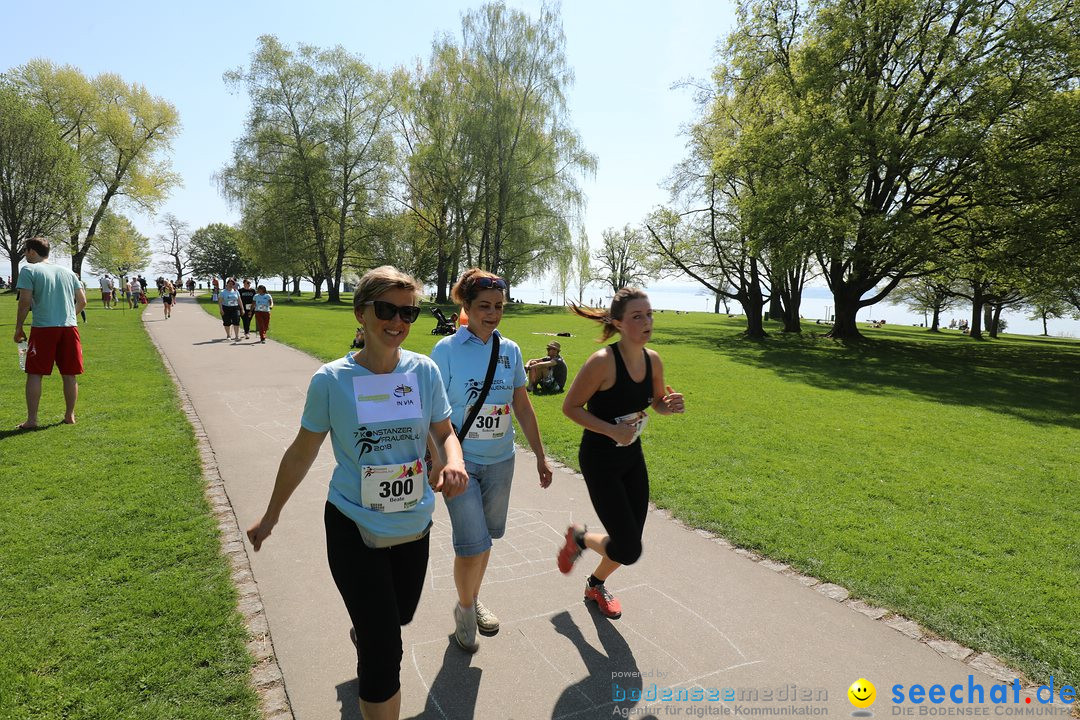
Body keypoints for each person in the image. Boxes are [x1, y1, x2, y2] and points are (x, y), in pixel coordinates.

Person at [246, 265, 468, 720]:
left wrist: (455, 461)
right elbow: (300, 453)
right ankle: (371, 644)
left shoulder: (423, 371)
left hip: (413, 523)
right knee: (385, 647)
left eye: (409, 313)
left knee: (400, 616)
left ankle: (367, 632)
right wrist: (271, 515)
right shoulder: (332, 381)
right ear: (360, 314)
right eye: (387, 309)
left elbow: (445, 432)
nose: (399, 322)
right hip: (353, 524)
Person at [430, 268, 554, 652]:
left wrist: (540, 455)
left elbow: (521, 403)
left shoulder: (511, 351)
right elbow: (435, 413)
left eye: (499, 306)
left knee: (486, 543)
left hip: (501, 461)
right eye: (484, 306)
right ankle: (466, 611)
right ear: (465, 306)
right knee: (472, 544)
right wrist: (440, 460)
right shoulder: (445, 351)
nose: (493, 313)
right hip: (460, 463)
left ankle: (471, 596)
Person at [556, 288, 685, 619]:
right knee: (629, 547)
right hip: (600, 460)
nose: (647, 321)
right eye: (637, 316)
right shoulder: (602, 362)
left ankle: (594, 583)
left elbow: (656, 402)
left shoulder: (652, 359)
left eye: (650, 314)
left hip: (631, 457)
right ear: (618, 323)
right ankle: (582, 539)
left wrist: (667, 406)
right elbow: (570, 407)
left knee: (628, 543)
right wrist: (611, 430)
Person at [13, 237, 87, 430]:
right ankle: (70, 415)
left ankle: (32, 420)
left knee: (35, 373)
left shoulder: (29, 270)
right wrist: (70, 316)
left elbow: (25, 302)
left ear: (31, 251)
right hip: (69, 328)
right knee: (70, 374)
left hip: (44, 328)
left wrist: (18, 327)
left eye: (25, 251)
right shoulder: (67, 271)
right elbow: (82, 301)